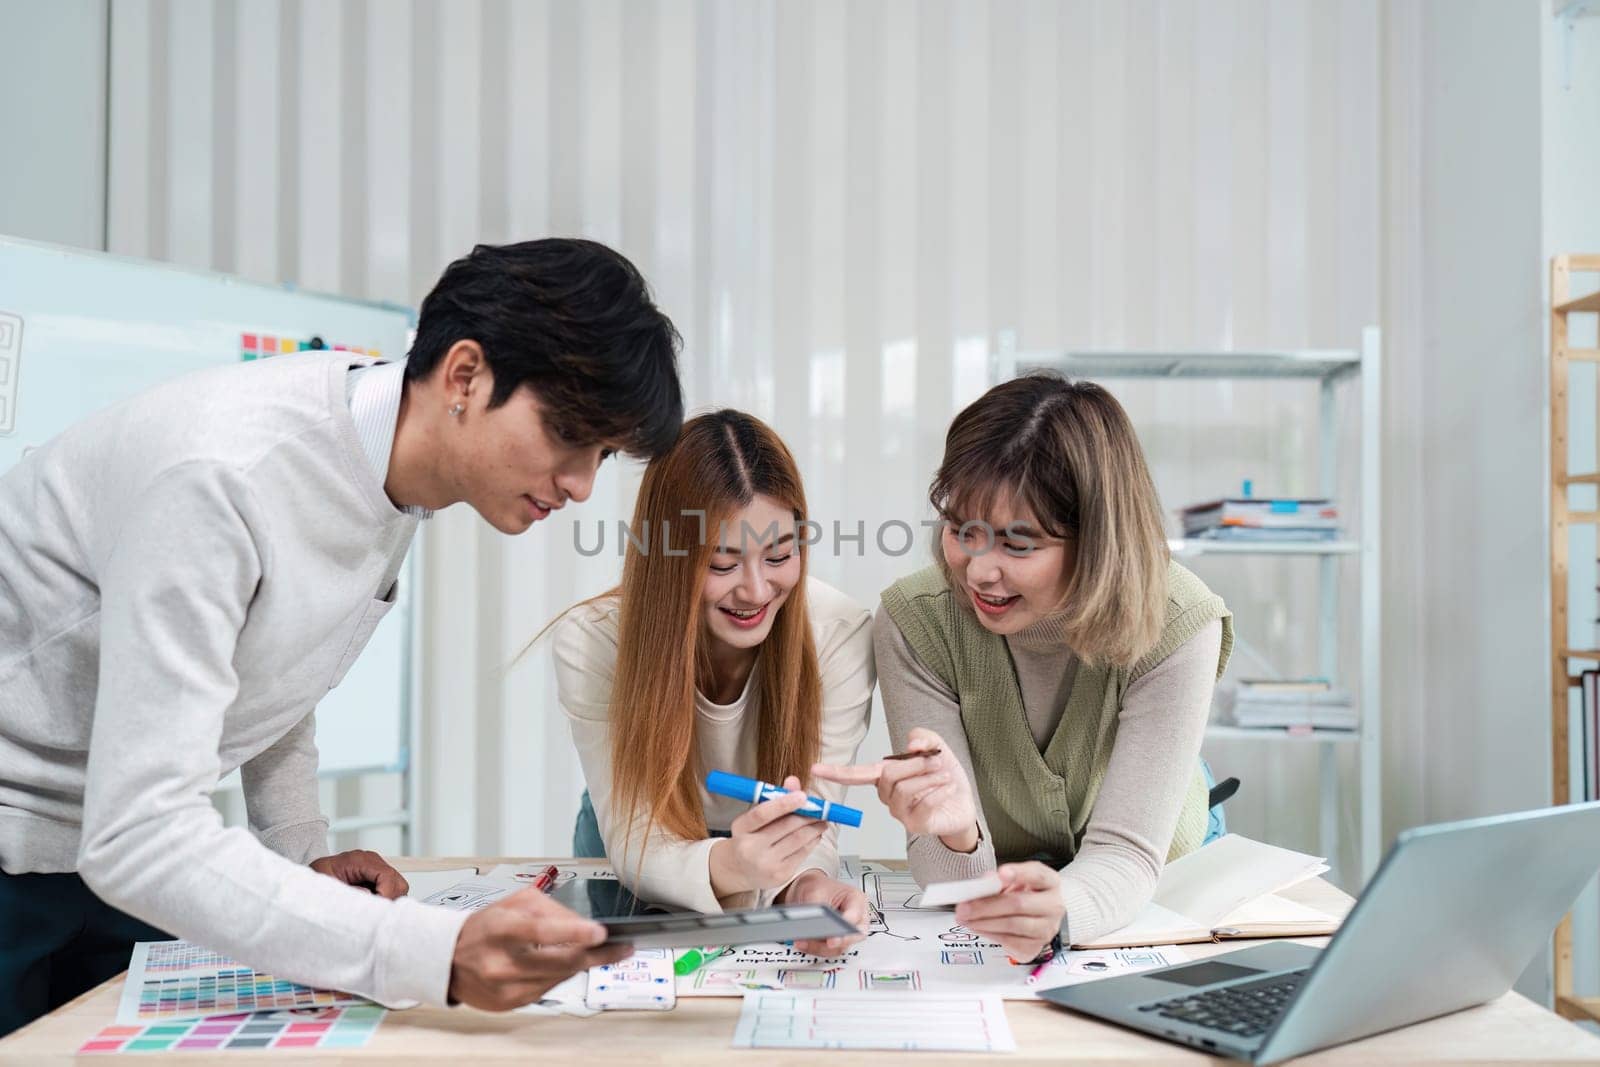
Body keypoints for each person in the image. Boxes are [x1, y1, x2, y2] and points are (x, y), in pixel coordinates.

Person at [0, 238, 683, 1035]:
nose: (579, 484)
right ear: (466, 375)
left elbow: (267, 656)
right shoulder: (225, 476)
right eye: (569, 434)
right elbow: (140, 833)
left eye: (601, 455)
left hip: (106, 862)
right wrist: (436, 951)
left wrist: (299, 851)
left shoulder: (390, 475)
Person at [814, 373, 1233, 963]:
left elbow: (1126, 853)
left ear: (1098, 541)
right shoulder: (916, 621)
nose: (978, 570)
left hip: (1160, 875)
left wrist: (1062, 912)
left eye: (1018, 545)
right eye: (963, 530)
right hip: (1012, 881)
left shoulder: (1179, 622)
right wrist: (957, 832)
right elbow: (947, 882)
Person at [549, 410, 873, 955]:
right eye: (722, 563)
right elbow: (635, 839)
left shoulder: (838, 633)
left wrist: (808, 884)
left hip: (768, 858)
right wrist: (731, 863)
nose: (755, 590)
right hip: (637, 847)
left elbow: (817, 818)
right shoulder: (593, 642)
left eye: (779, 555)